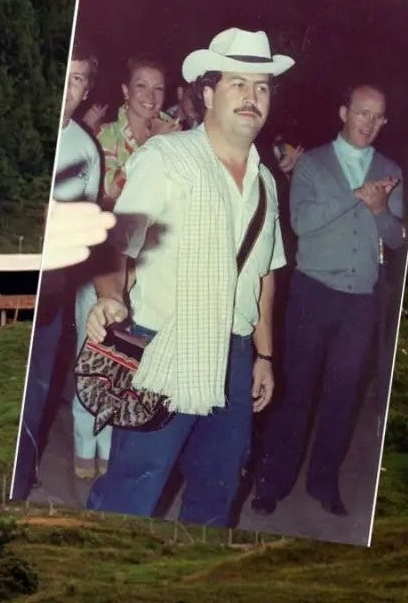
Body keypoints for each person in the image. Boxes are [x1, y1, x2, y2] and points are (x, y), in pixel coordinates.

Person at [84, 27, 292, 526]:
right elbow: (115, 247)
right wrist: (109, 298)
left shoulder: (266, 181)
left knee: (217, 495)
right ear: (207, 93)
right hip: (163, 349)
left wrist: (263, 355)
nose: (251, 97)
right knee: (134, 491)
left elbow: (263, 275)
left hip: (236, 357)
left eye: (261, 87)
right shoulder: (165, 160)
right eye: (238, 84)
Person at [250, 84, 406, 518]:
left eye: (377, 117)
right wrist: (357, 196)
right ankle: (272, 484)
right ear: (344, 112)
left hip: (360, 303)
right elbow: (302, 223)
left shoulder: (391, 169)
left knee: (342, 397)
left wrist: (379, 210)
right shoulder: (314, 164)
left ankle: (324, 484)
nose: (369, 123)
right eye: (361, 113)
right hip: (312, 295)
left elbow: (397, 237)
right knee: (295, 393)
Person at [14, 43, 109, 497]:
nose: (65, 88)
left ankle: (20, 478)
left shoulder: (87, 151)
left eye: (75, 79)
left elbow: (86, 238)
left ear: (87, 90)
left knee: (37, 394)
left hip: (50, 297)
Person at [95, 56, 181, 205]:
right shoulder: (106, 134)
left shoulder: (175, 133)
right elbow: (109, 192)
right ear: (126, 91)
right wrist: (151, 144)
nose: (150, 96)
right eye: (142, 86)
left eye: (158, 88)